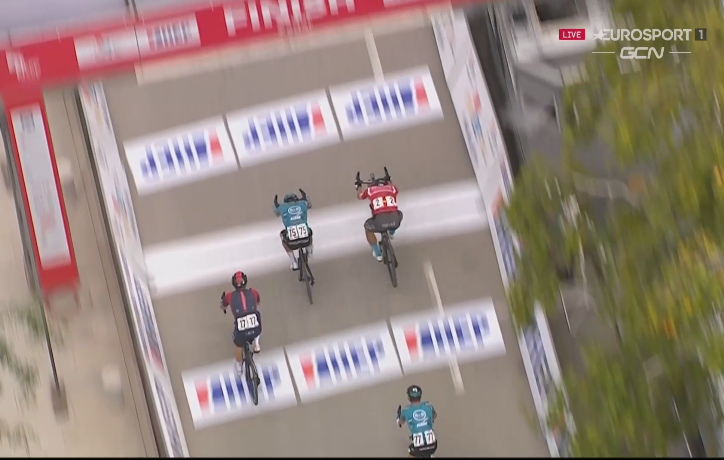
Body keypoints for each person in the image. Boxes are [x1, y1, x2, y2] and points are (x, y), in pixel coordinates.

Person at [220, 271, 262, 375]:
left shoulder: (229, 296)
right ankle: (257, 344)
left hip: (241, 331)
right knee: (257, 315)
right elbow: (257, 302)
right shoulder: (254, 292)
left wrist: (224, 307)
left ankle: (239, 367)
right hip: (256, 328)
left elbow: (223, 306)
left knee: (239, 346)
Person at [357, 174, 403, 261]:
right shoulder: (392, 188)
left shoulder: (370, 190)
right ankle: (391, 233)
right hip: (394, 220)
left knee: (368, 230)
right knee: (398, 214)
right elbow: (395, 187)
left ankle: (377, 253)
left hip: (380, 220)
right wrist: (389, 181)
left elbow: (360, 195)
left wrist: (358, 186)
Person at [273, 190, 313, 270]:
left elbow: (276, 213)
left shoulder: (282, 207)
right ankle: (309, 251)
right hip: (306, 240)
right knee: (309, 232)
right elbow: (309, 204)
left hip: (291, 242)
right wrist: (304, 199)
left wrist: (277, 206)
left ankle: (294, 262)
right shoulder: (302, 203)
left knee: (282, 237)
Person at [398, 385, 438, 458]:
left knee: (411, 453)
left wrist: (398, 419)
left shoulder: (406, 410)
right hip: (433, 446)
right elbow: (435, 416)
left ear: (409, 398)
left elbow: (401, 422)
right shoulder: (429, 406)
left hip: (418, 448)